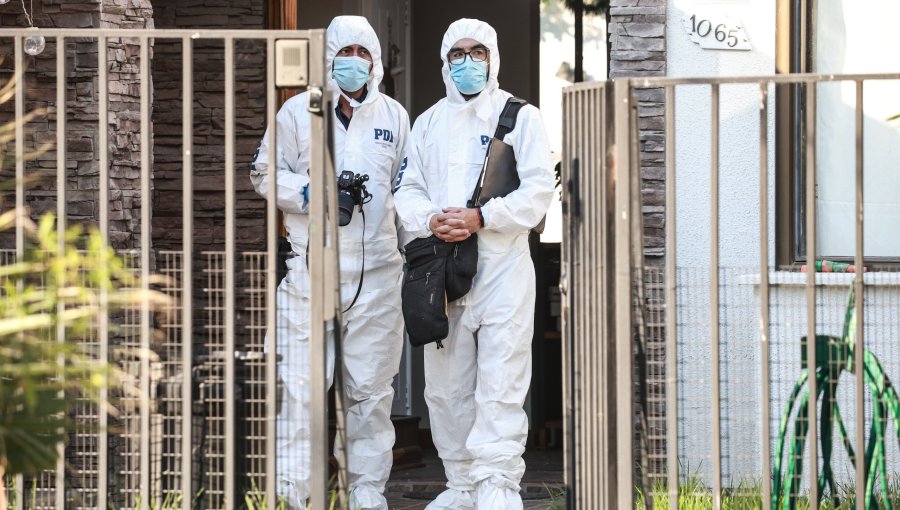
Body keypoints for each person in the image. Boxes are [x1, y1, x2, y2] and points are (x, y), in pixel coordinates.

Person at [393, 18, 555, 510]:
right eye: (458, 54)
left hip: (503, 267)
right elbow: (407, 189)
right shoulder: (428, 123)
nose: (467, 62)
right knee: (444, 385)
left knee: (501, 380)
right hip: (443, 268)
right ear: (445, 63)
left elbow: (538, 193)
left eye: (477, 52)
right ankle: (462, 485)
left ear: (493, 57)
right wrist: (431, 219)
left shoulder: (521, 118)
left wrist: (483, 217)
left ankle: (497, 486)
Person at [249, 15, 409, 510]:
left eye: (364, 54)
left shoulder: (394, 117)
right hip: (310, 273)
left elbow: (407, 190)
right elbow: (263, 173)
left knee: (370, 394)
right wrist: (314, 192)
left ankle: (365, 494)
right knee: (300, 389)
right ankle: (290, 496)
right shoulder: (298, 112)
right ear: (328, 57)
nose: (355, 63)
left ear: (376, 61)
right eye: (346, 53)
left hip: (378, 275)